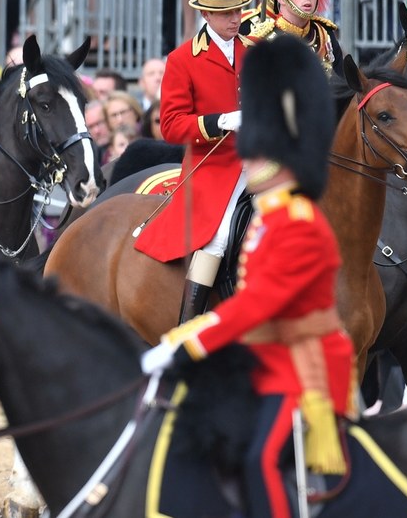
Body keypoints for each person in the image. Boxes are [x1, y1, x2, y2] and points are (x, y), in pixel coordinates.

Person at [141, 35, 350, 518]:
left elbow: (258, 306)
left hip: (305, 368)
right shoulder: (269, 218)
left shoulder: (298, 221)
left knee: (259, 459)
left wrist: (188, 342)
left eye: (256, 154)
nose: (248, 161)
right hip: (269, 360)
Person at [134, 0, 253, 324]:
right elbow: (170, 125)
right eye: (226, 13)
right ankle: (188, 321)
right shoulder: (182, 60)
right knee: (218, 235)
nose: (235, 19)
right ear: (206, 14)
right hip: (215, 167)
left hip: (262, 157)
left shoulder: (255, 49)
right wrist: (220, 122)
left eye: (238, 10)